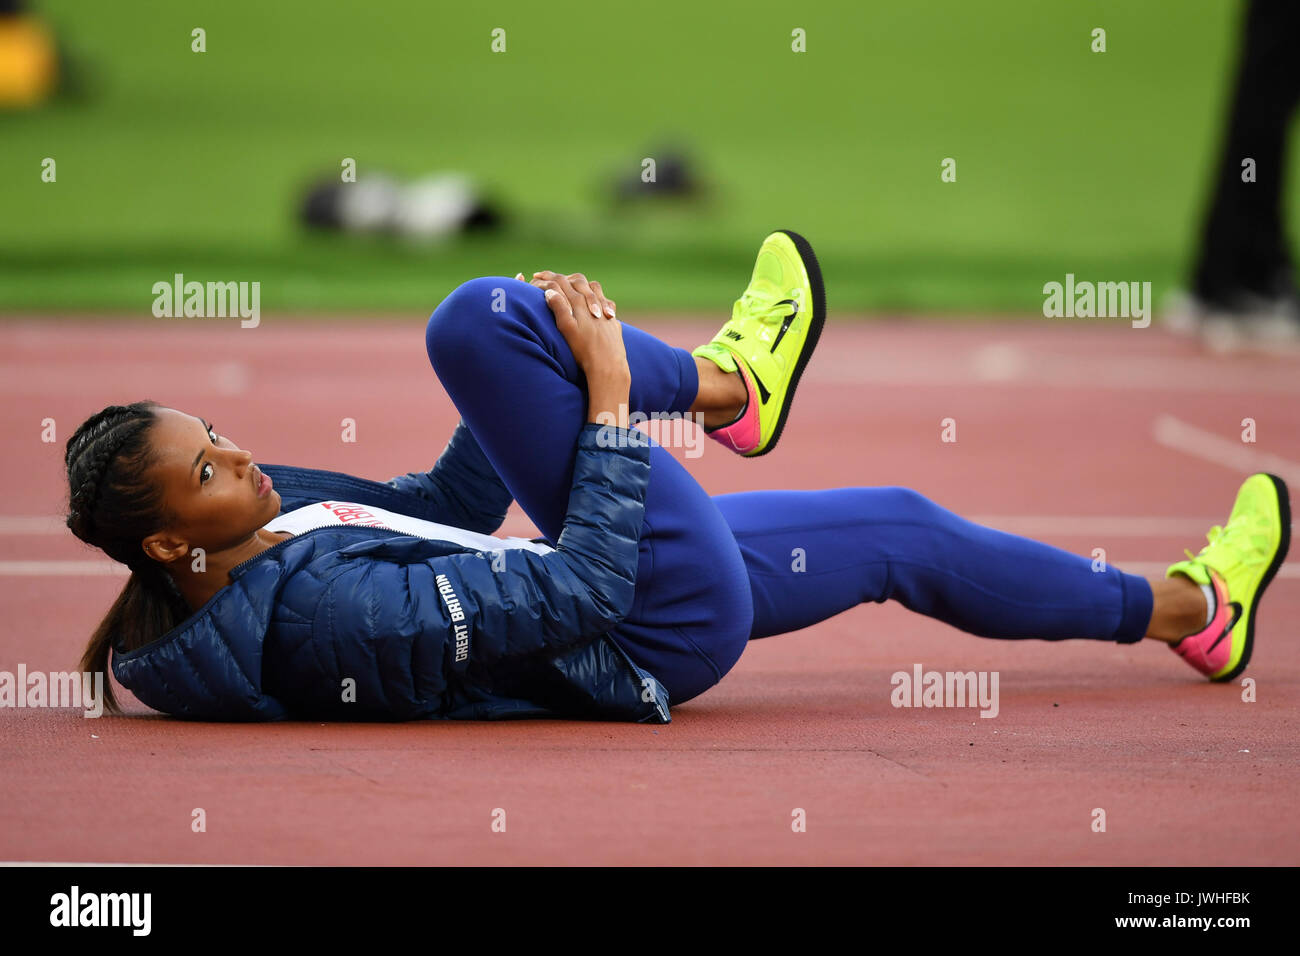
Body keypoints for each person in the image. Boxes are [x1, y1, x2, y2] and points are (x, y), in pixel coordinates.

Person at [64, 231, 1290, 721]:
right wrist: (599, 397)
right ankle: (729, 385)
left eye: (217, 434)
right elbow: (584, 591)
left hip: (614, 581)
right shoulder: (317, 618)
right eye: (209, 470)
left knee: (903, 529)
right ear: (174, 544)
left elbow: (443, 513)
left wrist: (529, 404)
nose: (240, 457)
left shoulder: (262, 528)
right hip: (648, 619)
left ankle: (1195, 611)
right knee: (473, 323)